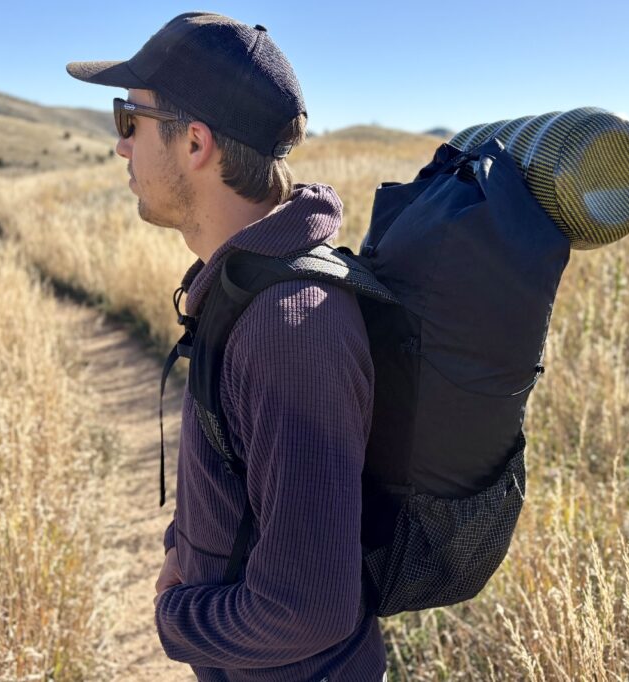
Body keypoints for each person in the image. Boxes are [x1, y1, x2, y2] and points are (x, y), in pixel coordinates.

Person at [67, 12, 387, 681]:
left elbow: (310, 609)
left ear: (196, 144)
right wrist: (185, 547)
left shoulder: (291, 327)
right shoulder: (249, 289)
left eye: (131, 119)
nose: (122, 145)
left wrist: (176, 618)